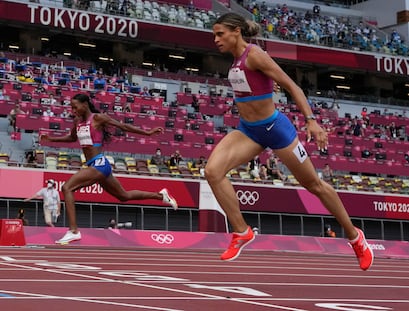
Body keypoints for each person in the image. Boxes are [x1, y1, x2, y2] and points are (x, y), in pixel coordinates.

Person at [205, 13, 373, 270]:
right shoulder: (236, 60)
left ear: (236, 31)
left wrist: (310, 120)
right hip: (248, 131)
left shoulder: (255, 55)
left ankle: (355, 237)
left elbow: (292, 86)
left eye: (220, 34)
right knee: (212, 171)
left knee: (314, 185)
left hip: (275, 129)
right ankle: (241, 232)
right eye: (214, 34)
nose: (215, 39)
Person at [39, 93, 178, 244]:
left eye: (75, 107)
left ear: (85, 104)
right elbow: (72, 138)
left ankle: (73, 231)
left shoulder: (98, 118)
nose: (73, 110)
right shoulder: (78, 121)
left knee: (67, 188)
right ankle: (161, 196)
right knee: (124, 196)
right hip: (94, 166)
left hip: (100, 164)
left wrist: (148, 133)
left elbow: (123, 126)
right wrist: (51, 139)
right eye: (71, 107)